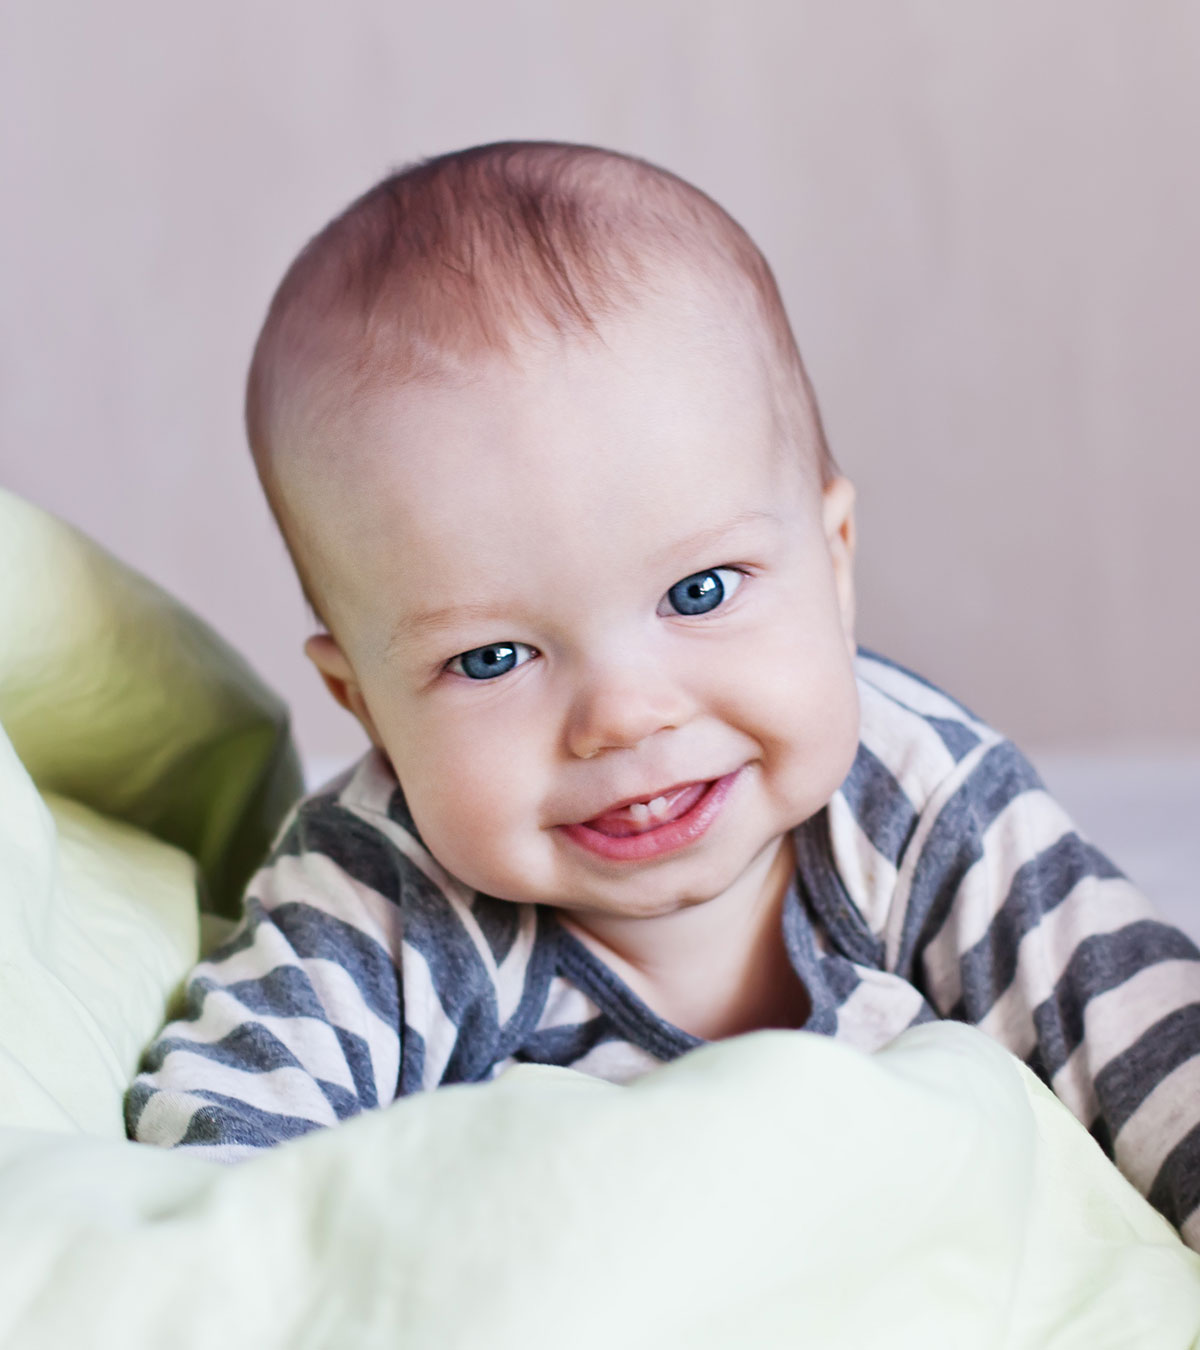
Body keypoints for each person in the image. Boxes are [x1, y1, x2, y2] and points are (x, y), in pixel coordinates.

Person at [125, 140, 1200, 1248]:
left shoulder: (916, 793)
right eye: (492, 657)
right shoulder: (384, 891)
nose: (625, 716)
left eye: (699, 591)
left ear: (833, 563)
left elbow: (1150, 1038)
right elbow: (214, 1183)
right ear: (364, 705)